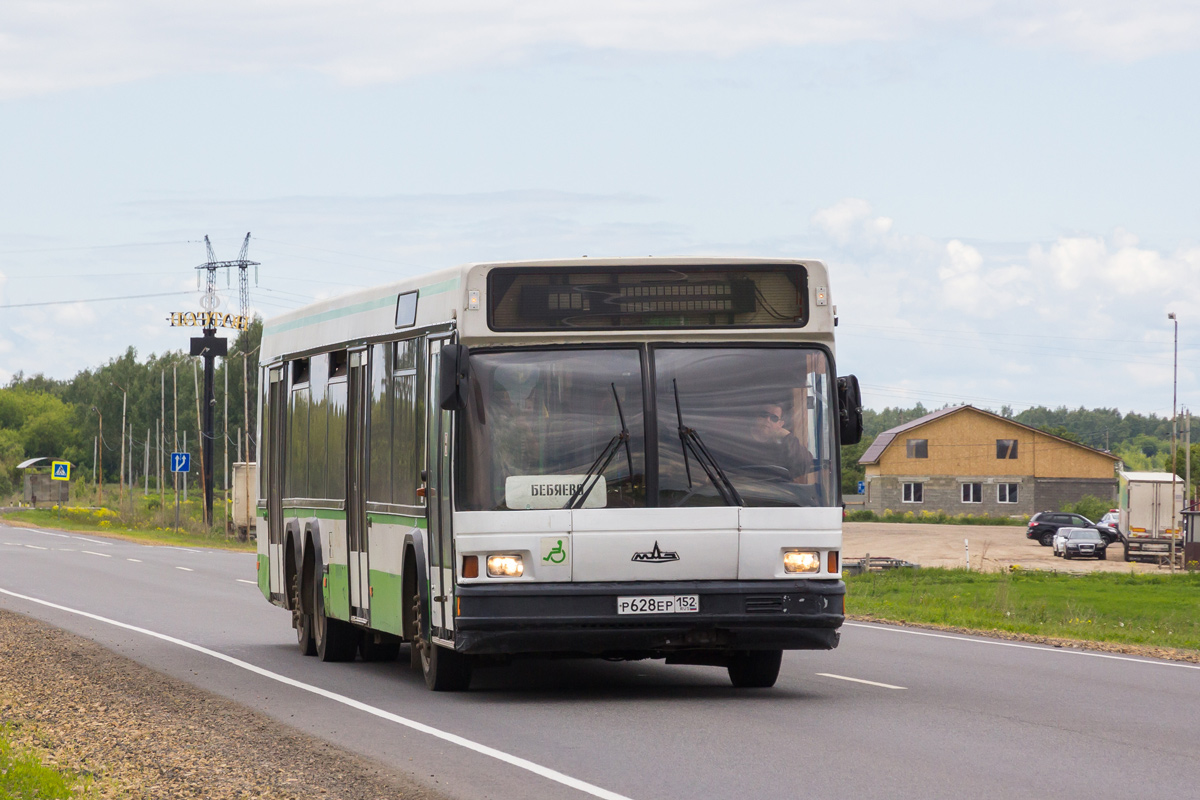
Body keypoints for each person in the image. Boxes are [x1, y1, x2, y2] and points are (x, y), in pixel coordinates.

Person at [747, 402, 816, 481]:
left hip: (774, 490)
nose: (767, 420)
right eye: (764, 415)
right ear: (756, 417)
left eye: (774, 418)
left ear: (780, 424)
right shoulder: (739, 439)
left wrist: (788, 437)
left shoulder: (784, 445)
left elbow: (803, 466)